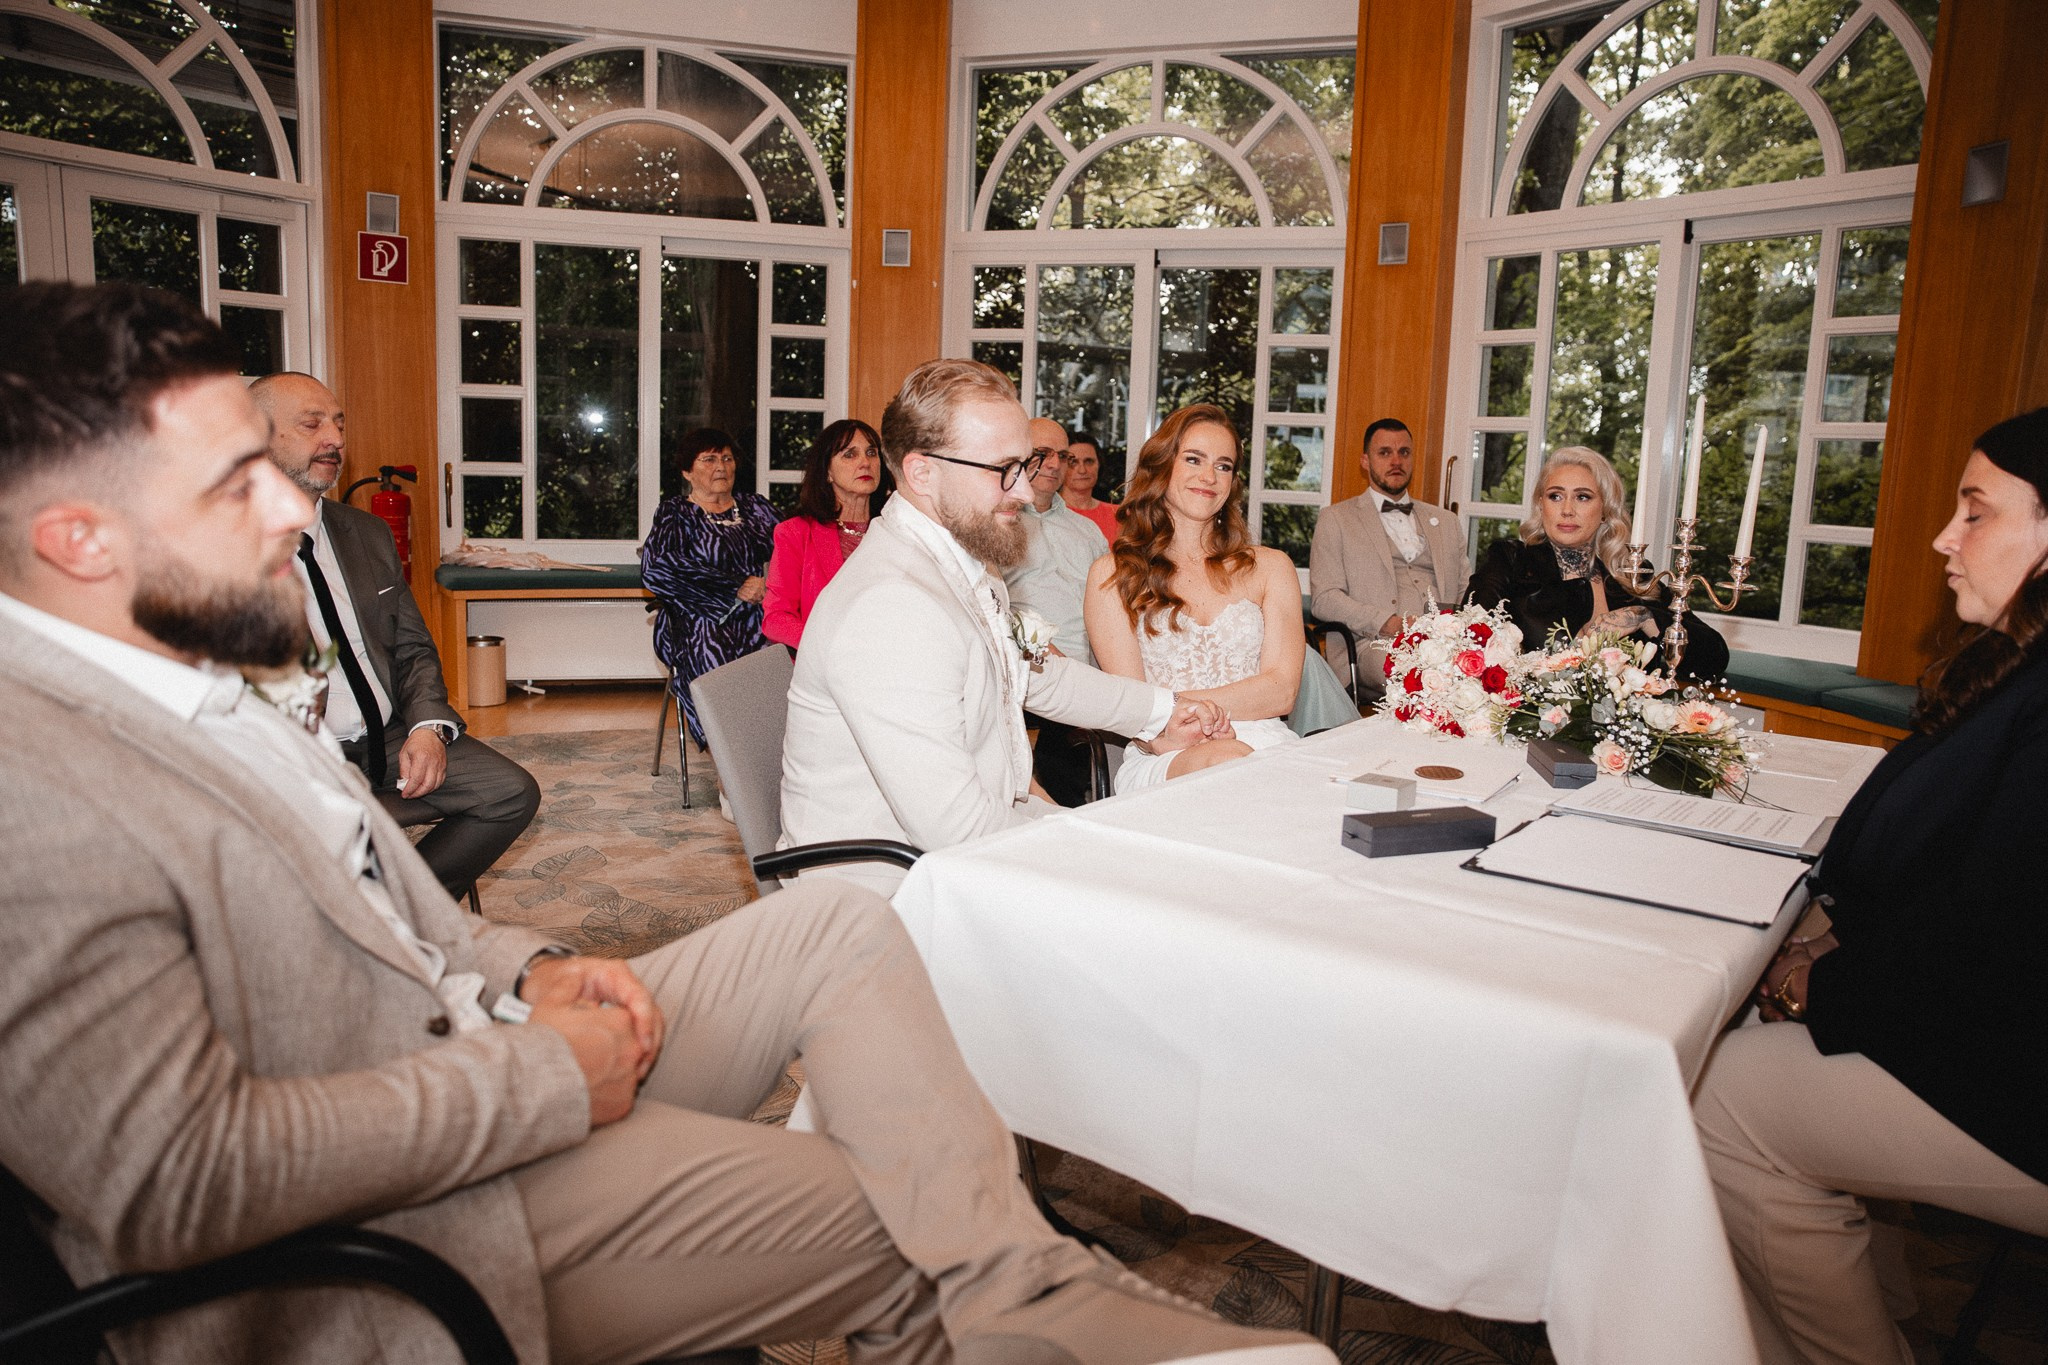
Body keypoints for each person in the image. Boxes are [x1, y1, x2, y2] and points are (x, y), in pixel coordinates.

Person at [0, 284, 1336, 1365]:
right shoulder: (39, 792)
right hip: (413, 1216)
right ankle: (1056, 1312)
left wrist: (523, 966)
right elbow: (174, 1183)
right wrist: (542, 1070)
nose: (301, 505)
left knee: (827, 934)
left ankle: (1038, 1305)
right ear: (80, 540)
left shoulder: (188, 686)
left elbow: (393, 917)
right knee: (905, 1207)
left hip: (482, 1039)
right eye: (241, 482)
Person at [1692, 408, 2048, 1365]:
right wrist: (1827, 940)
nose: (1945, 535)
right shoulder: (2018, 664)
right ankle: (1872, 1306)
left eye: (1975, 511)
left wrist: (1828, 980)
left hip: (2019, 1074)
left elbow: (2000, 934)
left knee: (1709, 1099)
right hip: (1989, 1023)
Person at [779, 360, 1234, 893]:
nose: (1023, 491)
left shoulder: (966, 558)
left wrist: (1163, 713)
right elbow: (955, 828)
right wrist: (1087, 837)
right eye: (1004, 470)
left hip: (947, 856)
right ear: (923, 471)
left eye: (1026, 465)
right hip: (881, 895)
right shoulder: (891, 606)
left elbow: (1036, 673)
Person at [249, 371, 539, 900]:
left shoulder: (365, 533)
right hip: (304, 754)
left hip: (389, 735)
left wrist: (428, 727)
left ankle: (405, 913)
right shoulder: (219, 550)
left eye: (338, 423)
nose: (334, 438)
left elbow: (411, 647)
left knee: (510, 793)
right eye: (311, 424)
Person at [1084, 404, 1305, 793]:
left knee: (1251, 765)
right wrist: (1166, 720)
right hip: (1164, 751)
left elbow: (1283, 691)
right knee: (1230, 762)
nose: (1209, 476)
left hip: (1265, 744)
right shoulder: (1112, 575)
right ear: (1162, 466)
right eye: (1193, 459)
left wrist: (1170, 705)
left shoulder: (1272, 568)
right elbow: (1129, 705)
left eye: (1223, 466)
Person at [1464, 445, 1729, 681]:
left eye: (1583, 497)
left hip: (1626, 729)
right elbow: (1465, 640)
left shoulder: (1634, 573)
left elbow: (1714, 658)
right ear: (1541, 505)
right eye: (1555, 496)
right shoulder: (1510, 561)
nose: (1567, 510)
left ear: (1605, 510)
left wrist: (1644, 616)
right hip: (1530, 725)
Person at [639, 428, 780, 747]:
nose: (721, 466)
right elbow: (656, 568)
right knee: (711, 649)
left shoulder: (756, 508)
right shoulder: (675, 513)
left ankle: (767, 748)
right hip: (698, 620)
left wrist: (767, 582)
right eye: (709, 459)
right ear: (687, 471)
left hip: (761, 614)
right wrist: (734, 586)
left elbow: (793, 549)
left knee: (785, 649)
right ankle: (730, 759)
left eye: (727, 458)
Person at [1308, 418, 1468, 696]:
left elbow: (1467, 591)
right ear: (1365, 461)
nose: (1396, 461)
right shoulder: (1336, 519)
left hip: (1442, 641)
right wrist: (1387, 622)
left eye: (1404, 452)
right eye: (1384, 453)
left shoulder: (1446, 522)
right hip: (1371, 645)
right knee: (1419, 674)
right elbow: (1325, 599)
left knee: (1485, 670)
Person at [1006, 418, 1112, 807]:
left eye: (1063, 456)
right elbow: (992, 607)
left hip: (1089, 667)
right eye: (1042, 454)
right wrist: (1044, 653)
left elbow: (1112, 603)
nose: (1054, 464)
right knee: (1066, 728)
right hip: (1029, 665)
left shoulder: (1087, 532)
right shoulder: (1001, 523)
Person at [762, 418, 889, 649]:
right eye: (850, 455)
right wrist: (831, 647)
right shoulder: (795, 533)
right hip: (824, 666)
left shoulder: (896, 529)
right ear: (828, 472)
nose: (865, 462)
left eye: (872, 453)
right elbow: (776, 619)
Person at [1061, 430, 1120, 540]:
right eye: (1073, 462)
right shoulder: (1048, 512)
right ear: (1060, 466)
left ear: (1099, 464)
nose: (1082, 470)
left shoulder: (1117, 515)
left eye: (1089, 461)